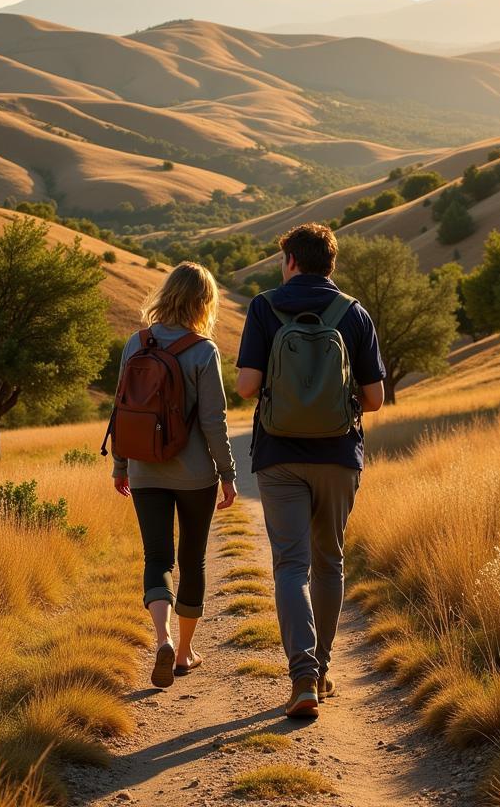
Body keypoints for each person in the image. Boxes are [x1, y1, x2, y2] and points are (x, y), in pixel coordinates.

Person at [236, 224, 385, 718]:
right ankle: (321, 670)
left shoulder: (263, 307)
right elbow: (375, 400)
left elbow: (246, 387)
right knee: (330, 561)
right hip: (339, 456)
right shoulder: (353, 312)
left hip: (279, 457)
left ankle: (300, 676)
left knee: (290, 566)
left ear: (292, 261)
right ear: (331, 264)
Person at [111, 262, 238, 689]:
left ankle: (161, 637)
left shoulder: (137, 342)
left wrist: (120, 465)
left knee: (157, 558)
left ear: (166, 293)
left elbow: (121, 409)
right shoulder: (203, 350)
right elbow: (214, 421)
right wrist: (227, 473)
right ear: (205, 301)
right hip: (195, 475)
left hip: (145, 469)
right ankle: (184, 653)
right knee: (192, 559)